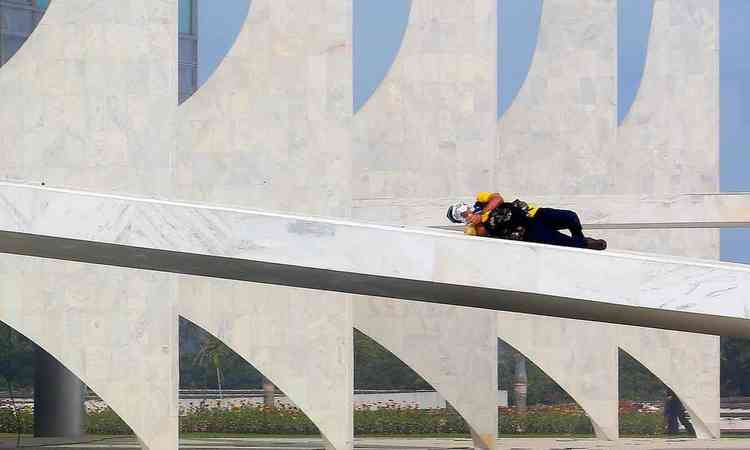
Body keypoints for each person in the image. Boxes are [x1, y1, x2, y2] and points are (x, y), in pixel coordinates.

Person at [446, 192, 607, 250]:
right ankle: (583, 245)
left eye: (461, 208)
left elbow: (497, 198)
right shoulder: (472, 229)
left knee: (570, 217)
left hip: (533, 214)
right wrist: (477, 222)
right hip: (528, 231)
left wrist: (483, 213)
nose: (464, 211)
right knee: (567, 243)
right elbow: (484, 233)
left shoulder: (480, 201)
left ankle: (581, 240)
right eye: (460, 214)